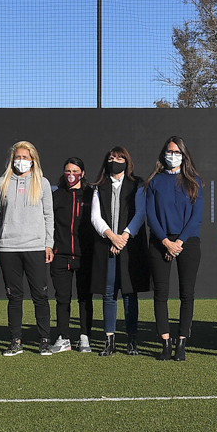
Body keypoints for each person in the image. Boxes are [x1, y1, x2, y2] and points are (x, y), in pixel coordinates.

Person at [0, 141, 54, 357]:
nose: (21, 161)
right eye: (18, 157)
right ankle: (15, 341)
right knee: (14, 297)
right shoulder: (2, 182)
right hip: (8, 248)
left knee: (40, 297)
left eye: (25, 157)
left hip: (35, 246)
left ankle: (44, 340)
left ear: (33, 160)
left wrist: (48, 244)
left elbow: (48, 215)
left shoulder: (42, 183)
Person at [145, 136, 204, 362]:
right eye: (170, 151)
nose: (173, 155)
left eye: (177, 152)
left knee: (186, 294)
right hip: (160, 243)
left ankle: (181, 342)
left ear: (184, 155)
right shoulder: (155, 182)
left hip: (187, 242)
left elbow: (196, 216)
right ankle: (165, 342)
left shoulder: (194, 181)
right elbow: (151, 215)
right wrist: (165, 242)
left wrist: (178, 242)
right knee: (160, 294)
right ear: (164, 154)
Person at [90, 146, 148, 356]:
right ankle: (109, 340)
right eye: (112, 157)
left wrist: (123, 236)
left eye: (120, 158)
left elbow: (141, 213)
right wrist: (111, 237)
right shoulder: (99, 186)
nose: (116, 161)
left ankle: (132, 341)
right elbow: (95, 217)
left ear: (127, 161)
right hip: (107, 247)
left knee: (129, 294)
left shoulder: (137, 185)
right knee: (108, 294)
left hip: (129, 247)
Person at [49, 157, 93, 355]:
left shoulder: (91, 194)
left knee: (84, 298)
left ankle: (84, 337)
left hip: (85, 255)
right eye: (67, 171)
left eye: (75, 171)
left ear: (82, 173)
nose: (71, 175)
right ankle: (63, 337)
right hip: (61, 255)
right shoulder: (56, 195)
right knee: (62, 298)